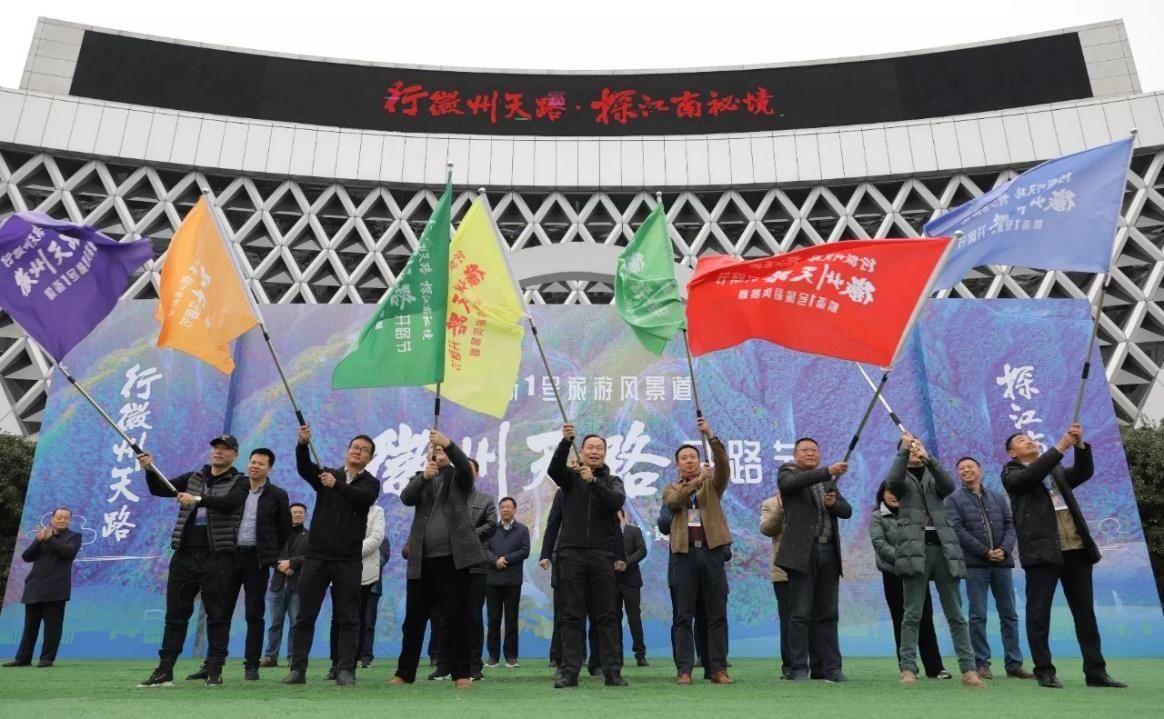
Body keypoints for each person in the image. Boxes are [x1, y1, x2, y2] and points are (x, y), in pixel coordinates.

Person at [1002, 424, 1125, 689]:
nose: (1029, 441)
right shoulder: (1011, 473)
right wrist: (1060, 447)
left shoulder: (1055, 471)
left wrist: (1079, 445)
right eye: (1022, 440)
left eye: (1031, 438)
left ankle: (1096, 671)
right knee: (1038, 614)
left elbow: (1083, 471)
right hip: (1042, 552)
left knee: (1085, 614)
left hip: (1076, 549)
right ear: (1012, 453)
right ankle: (1044, 671)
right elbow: (1029, 478)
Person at [137, 434, 248, 687]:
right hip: (184, 555)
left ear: (235, 455)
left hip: (217, 557)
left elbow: (230, 504)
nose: (218, 452)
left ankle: (214, 670)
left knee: (217, 616)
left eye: (224, 449)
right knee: (175, 616)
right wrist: (148, 469)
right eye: (215, 448)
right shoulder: (193, 477)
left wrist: (197, 500)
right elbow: (159, 488)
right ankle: (165, 670)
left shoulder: (240, 482)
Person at [280, 426, 379, 686]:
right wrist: (302, 444)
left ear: (369, 458)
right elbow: (304, 468)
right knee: (305, 615)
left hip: (347, 559)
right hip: (317, 557)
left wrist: (337, 485)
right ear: (347, 452)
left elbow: (362, 499)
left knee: (348, 616)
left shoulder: (370, 483)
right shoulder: (327, 474)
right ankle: (297, 669)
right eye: (354, 447)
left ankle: (345, 669)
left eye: (364, 450)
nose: (358, 452)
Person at [885, 432, 983, 688]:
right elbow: (893, 482)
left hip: (943, 550)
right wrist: (903, 451)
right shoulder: (900, 478)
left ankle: (969, 669)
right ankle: (907, 668)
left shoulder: (933, 473)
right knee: (912, 614)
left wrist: (929, 459)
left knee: (955, 614)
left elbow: (948, 486)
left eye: (919, 446)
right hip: (914, 550)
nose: (916, 450)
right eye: (911, 448)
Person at [389, 430, 486, 689]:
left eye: (442, 451)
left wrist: (449, 444)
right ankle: (404, 672)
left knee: (456, 618)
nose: (438, 453)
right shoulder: (420, 478)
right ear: (427, 456)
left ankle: (461, 674)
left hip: (453, 559)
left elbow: (466, 467)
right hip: (421, 560)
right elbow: (406, 498)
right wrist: (423, 478)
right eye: (435, 450)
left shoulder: (458, 477)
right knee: (414, 620)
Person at [190, 448, 291, 682]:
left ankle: (251, 665)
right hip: (228, 555)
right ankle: (212, 664)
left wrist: (272, 555)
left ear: (269, 468)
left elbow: (284, 530)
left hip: (256, 560)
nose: (255, 466)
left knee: (254, 614)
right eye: (252, 462)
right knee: (220, 612)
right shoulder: (236, 487)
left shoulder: (277, 494)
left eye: (261, 464)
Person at [546, 423, 627, 688]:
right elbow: (553, 470)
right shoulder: (570, 479)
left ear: (605, 453)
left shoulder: (612, 481)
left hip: (602, 555)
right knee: (571, 615)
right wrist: (564, 442)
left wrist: (592, 482)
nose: (594, 452)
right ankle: (569, 671)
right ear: (581, 451)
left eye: (599, 448)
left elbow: (615, 502)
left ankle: (612, 670)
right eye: (590, 447)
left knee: (606, 615)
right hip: (571, 554)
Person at [944, 456, 1034, 680]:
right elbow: (956, 528)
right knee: (977, 615)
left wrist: (1004, 549)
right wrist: (984, 552)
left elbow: (1009, 525)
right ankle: (981, 663)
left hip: (1002, 564)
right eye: (962, 468)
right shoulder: (953, 499)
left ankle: (1014, 664)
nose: (967, 471)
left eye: (970, 467)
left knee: (1009, 615)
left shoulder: (997, 497)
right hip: (975, 565)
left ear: (980, 470)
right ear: (958, 474)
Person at [776, 437, 851, 683]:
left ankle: (830, 668)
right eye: (805, 450)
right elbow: (792, 484)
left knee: (828, 613)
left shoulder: (828, 481)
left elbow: (846, 511)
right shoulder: (788, 472)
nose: (810, 454)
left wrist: (833, 504)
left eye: (814, 450)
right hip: (802, 554)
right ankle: (798, 668)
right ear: (796, 455)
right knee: (799, 613)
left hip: (829, 552)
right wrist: (827, 470)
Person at [663, 418, 731, 685]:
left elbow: (723, 465)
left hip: (712, 553)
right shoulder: (672, 488)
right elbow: (674, 502)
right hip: (684, 556)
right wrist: (695, 483)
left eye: (693, 457)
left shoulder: (713, 484)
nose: (690, 461)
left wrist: (711, 435)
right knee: (683, 615)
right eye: (684, 458)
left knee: (716, 614)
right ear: (677, 464)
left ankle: (717, 668)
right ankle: (684, 669)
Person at [869, 481, 950, 681]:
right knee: (901, 620)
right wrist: (903, 559)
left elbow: (925, 541)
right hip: (893, 574)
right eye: (889, 491)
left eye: (898, 492)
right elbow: (879, 543)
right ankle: (908, 667)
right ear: (882, 495)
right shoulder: (877, 516)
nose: (894, 495)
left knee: (925, 619)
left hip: (916, 573)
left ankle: (935, 667)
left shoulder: (915, 514)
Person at [432, 465, 496, 681]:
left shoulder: (485, 500)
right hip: (448, 565)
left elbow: (491, 526)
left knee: (473, 617)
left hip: (475, 565)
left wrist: (465, 535)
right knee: (445, 617)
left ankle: (474, 666)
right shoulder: (444, 499)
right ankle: (444, 665)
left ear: (476, 474)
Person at [4, 508, 81, 668]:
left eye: (66, 518)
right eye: (59, 517)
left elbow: (68, 553)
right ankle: (23, 659)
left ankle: (47, 659)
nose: (62, 520)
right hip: (34, 587)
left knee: (53, 628)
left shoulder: (73, 537)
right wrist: (38, 541)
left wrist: (50, 539)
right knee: (29, 626)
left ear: (69, 521)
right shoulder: (42, 536)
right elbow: (27, 557)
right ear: (52, 518)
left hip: (56, 589)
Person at [328, 501, 385, 679]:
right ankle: (335, 665)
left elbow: (376, 538)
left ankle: (349, 665)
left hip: (364, 572)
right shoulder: (337, 508)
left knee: (355, 618)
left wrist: (350, 550)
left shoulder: (376, 511)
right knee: (337, 619)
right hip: (337, 570)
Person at [261, 502, 309, 668]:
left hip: (298, 585)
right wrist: (281, 565)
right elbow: (269, 553)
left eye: (300, 512)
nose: (297, 515)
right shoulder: (278, 534)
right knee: (275, 623)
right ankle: (270, 656)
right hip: (278, 585)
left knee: (295, 623)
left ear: (305, 515)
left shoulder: (309, 535)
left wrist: (292, 563)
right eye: (294, 512)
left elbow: (310, 557)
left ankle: (292, 657)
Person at [486, 495, 529, 669]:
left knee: (511, 619)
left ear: (514, 509)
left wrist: (506, 559)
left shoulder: (522, 530)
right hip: (492, 580)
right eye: (502, 507)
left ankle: (511, 657)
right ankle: (493, 657)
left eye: (508, 507)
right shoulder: (491, 529)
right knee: (493, 619)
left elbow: (525, 550)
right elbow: (484, 549)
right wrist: (495, 560)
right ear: (499, 509)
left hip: (512, 581)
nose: (505, 510)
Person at [759, 493, 794, 679]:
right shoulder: (770, 503)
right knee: (788, 619)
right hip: (782, 570)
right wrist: (781, 507)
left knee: (812, 617)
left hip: (809, 568)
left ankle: (817, 664)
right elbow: (767, 529)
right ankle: (790, 665)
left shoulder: (811, 499)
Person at [615, 508, 647, 668]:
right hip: (612, 581)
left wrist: (626, 562)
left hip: (631, 580)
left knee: (634, 618)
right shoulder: (605, 534)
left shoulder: (634, 531)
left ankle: (640, 654)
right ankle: (616, 654)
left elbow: (642, 550)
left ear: (623, 515)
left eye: (617, 514)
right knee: (614, 619)